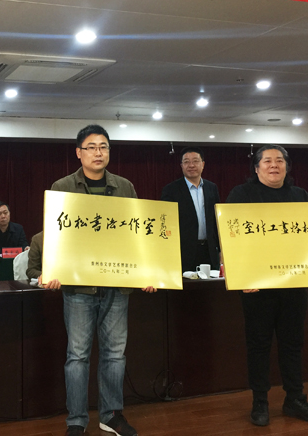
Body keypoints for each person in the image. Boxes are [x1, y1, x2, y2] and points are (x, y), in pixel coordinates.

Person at [46, 124, 156, 436]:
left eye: (104, 147)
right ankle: (76, 420)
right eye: (91, 147)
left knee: (115, 354)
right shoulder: (63, 186)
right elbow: (56, 236)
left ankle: (111, 415)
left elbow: (137, 236)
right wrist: (52, 269)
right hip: (78, 288)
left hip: (117, 287)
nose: (98, 153)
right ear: (78, 153)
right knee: (77, 356)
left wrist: (148, 272)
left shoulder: (124, 187)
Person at [226, 145, 308, 427]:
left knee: (292, 344)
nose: (274, 165)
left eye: (279, 160)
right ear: (256, 168)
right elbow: (230, 237)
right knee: (258, 345)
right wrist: (242, 276)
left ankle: (295, 399)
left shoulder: (300, 196)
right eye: (267, 161)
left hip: (294, 285)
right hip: (257, 286)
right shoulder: (241, 195)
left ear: (287, 166)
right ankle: (260, 401)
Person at [161, 147, 221, 271]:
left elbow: (216, 221)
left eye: (195, 161)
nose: (191, 165)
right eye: (186, 162)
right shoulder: (171, 190)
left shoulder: (212, 188)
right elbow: (167, 223)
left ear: (203, 164)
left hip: (209, 251)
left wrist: (220, 250)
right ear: (181, 166)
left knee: (212, 283)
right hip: (184, 252)